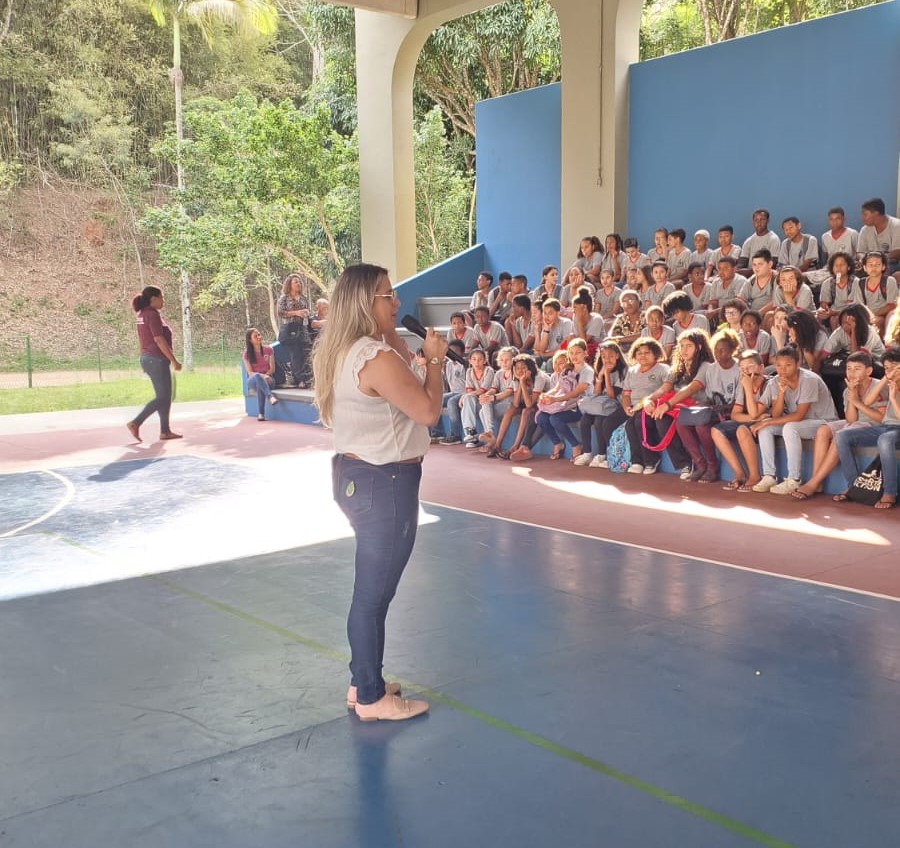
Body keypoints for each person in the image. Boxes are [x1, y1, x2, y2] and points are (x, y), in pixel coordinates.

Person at [312, 262, 447, 721]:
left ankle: (363, 680)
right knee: (373, 595)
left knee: (373, 592)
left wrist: (395, 336)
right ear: (365, 304)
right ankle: (371, 696)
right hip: (385, 484)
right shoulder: (376, 358)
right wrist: (434, 359)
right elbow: (428, 411)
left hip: (359, 476)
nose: (397, 303)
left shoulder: (348, 351)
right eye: (388, 296)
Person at [737, 345, 838, 495]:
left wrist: (767, 421)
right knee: (765, 429)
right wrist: (778, 394)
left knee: (789, 428)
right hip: (798, 424)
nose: (782, 369)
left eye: (788, 365)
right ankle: (769, 475)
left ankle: (794, 479)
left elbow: (799, 416)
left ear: (798, 364)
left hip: (822, 421)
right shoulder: (774, 382)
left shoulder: (808, 379)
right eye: (779, 365)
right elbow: (760, 414)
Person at [791, 351, 888, 501]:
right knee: (823, 430)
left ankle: (813, 482)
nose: (852, 372)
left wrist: (857, 403)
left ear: (868, 371)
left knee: (840, 435)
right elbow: (850, 419)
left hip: (871, 424)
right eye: (849, 368)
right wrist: (851, 395)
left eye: (857, 368)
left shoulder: (877, 386)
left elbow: (882, 419)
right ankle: (817, 482)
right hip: (855, 421)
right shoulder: (847, 388)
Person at [833, 346, 900, 509]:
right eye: (886, 368)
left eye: (895, 368)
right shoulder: (890, 382)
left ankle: (890, 492)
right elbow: (868, 401)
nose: (890, 372)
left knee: (884, 440)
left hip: (896, 430)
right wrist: (887, 377)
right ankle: (855, 485)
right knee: (842, 436)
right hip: (887, 426)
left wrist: (892, 397)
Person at [126, 285, 182, 443]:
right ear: (153, 299)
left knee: (165, 396)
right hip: (156, 359)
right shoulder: (152, 315)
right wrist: (174, 360)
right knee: (164, 397)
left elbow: (144, 339)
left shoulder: (142, 314)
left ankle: (165, 431)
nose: (163, 300)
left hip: (148, 358)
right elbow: (158, 339)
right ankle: (136, 423)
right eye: (161, 297)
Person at [712, 350, 770, 490]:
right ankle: (739, 474)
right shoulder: (743, 384)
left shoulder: (769, 384)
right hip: (754, 420)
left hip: (768, 423)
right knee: (716, 430)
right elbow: (735, 414)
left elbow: (756, 413)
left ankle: (754, 476)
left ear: (761, 368)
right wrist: (752, 418)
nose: (746, 372)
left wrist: (749, 389)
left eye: (750, 367)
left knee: (741, 430)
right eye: (742, 369)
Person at [574, 340, 628, 467]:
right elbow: (597, 392)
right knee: (585, 420)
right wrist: (600, 377)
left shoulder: (624, 371)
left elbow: (612, 395)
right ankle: (587, 453)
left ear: (617, 356)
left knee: (599, 421)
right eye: (604, 357)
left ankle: (602, 454)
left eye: (610, 356)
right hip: (602, 405)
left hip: (616, 404)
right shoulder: (600, 369)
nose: (607, 359)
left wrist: (607, 375)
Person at [277, 273, 312, 388]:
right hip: (291, 329)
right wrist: (296, 312)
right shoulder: (284, 298)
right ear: (289, 284)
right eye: (295, 282)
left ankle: (308, 378)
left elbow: (308, 310)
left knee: (306, 353)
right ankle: (299, 380)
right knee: (295, 354)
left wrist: (306, 313)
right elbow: (280, 313)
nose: (298, 284)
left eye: (299, 282)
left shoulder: (303, 298)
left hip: (303, 328)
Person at [243, 328, 278, 421]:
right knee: (258, 377)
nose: (259, 337)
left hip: (269, 379)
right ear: (250, 340)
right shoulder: (247, 354)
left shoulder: (268, 350)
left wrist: (266, 376)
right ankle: (270, 396)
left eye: (259, 334)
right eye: (255, 336)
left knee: (260, 384)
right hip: (253, 380)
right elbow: (250, 373)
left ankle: (261, 414)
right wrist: (263, 376)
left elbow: (272, 368)